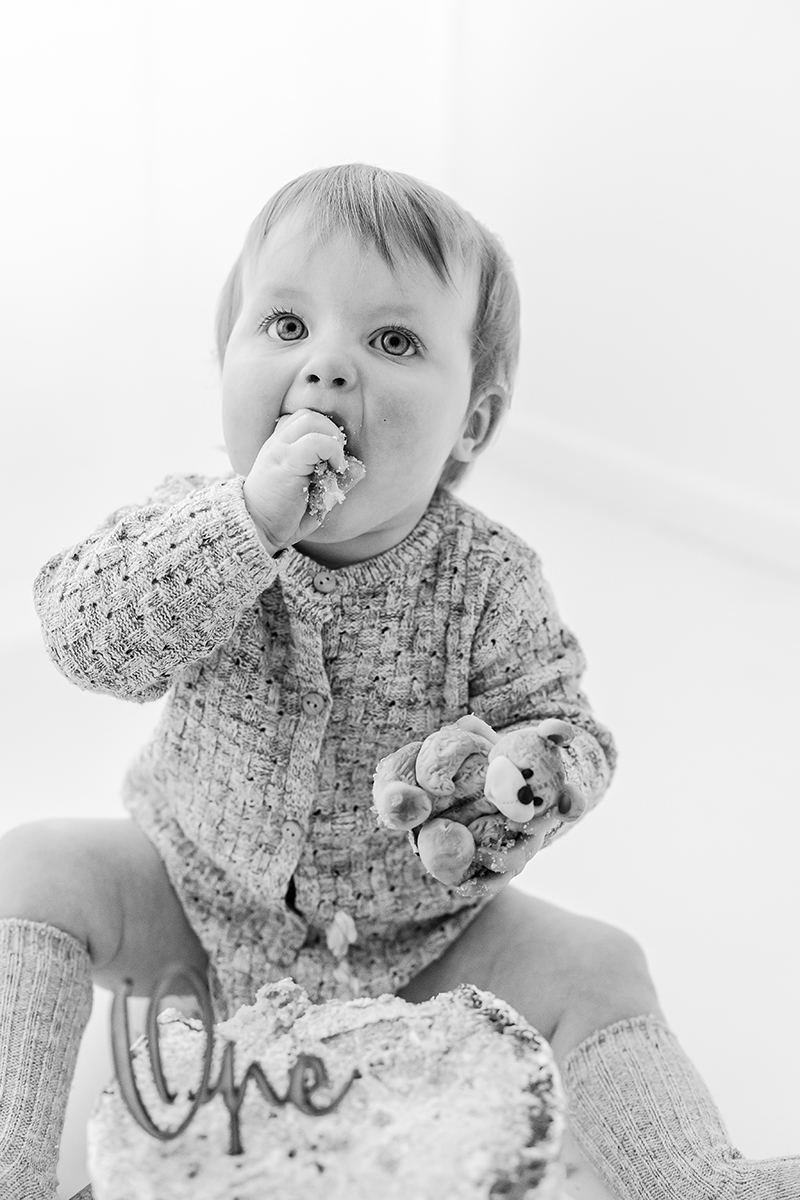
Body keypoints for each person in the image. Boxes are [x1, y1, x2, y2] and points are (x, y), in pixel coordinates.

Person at [0, 164, 795, 1200]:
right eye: (284, 325)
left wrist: (528, 774)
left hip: (417, 946)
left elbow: (565, 728)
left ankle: (701, 1179)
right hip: (189, 904)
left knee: (601, 960)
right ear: (223, 364)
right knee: (33, 870)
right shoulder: (193, 528)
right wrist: (242, 530)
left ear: (469, 422)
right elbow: (83, 634)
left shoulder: (486, 577)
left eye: (391, 341)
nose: (326, 368)